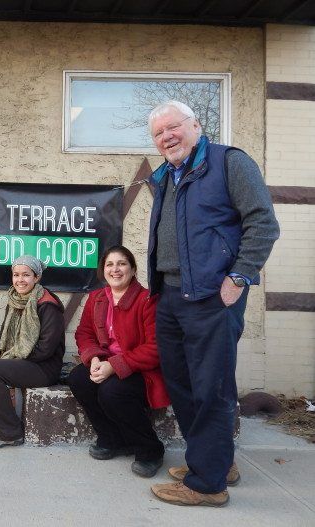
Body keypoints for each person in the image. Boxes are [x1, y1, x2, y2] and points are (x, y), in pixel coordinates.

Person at [146, 101, 279, 506]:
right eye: (158, 133)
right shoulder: (167, 175)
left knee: (212, 388)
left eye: (174, 127)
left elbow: (263, 223)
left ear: (196, 125)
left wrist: (238, 277)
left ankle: (207, 485)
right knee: (183, 385)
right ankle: (214, 461)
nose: (167, 136)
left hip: (211, 296)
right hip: (171, 295)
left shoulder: (229, 163)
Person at [68, 245, 169, 478]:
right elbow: (84, 333)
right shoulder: (96, 298)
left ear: (133, 269)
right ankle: (111, 438)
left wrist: (114, 366)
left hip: (141, 369)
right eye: (110, 264)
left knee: (112, 391)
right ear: (103, 271)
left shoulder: (147, 300)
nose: (115, 269)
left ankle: (150, 450)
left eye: (122, 263)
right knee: (79, 379)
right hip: (105, 362)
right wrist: (93, 358)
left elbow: (156, 348)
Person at [0, 255, 65, 449]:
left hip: (42, 367)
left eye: (26, 275)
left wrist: (9, 359)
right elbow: (1, 342)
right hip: (20, 359)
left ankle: (9, 432)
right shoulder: (15, 300)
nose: (20, 280)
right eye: (16, 275)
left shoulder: (48, 305)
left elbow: (45, 350)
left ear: (37, 277)